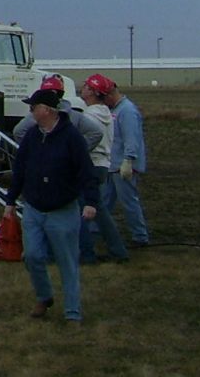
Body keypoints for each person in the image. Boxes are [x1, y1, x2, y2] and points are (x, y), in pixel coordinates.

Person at [4, 88, 100, 323]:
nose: (30, 112)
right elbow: (20, 170)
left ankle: (72, 313)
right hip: (34, 208)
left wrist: (90, 202)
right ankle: (44, 296)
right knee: (33, 256)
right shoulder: (32, 136)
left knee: (67, 262)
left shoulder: (71, 138)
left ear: (47, 111)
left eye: (33, 108)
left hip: (63, 211)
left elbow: (86, 171)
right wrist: (10, 201)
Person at [78, 74, 131, 263]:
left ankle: (86, 252)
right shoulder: (107, 113)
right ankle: (118, 250)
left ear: (92, 92)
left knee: (83, 208)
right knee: (99, 210)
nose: (82, 88)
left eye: (85, 86)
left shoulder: (89, 116)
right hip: (103, 165)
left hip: (90, 164)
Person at [96, 74, 150, 246]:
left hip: (123, 165)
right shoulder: (115, 110)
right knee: (103, 201)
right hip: (112, 165)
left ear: (110, 94)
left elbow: (131, 138)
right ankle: (96, 232)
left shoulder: (127, 111)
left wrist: (129, 160)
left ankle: (140, 237)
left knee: (128, 201)